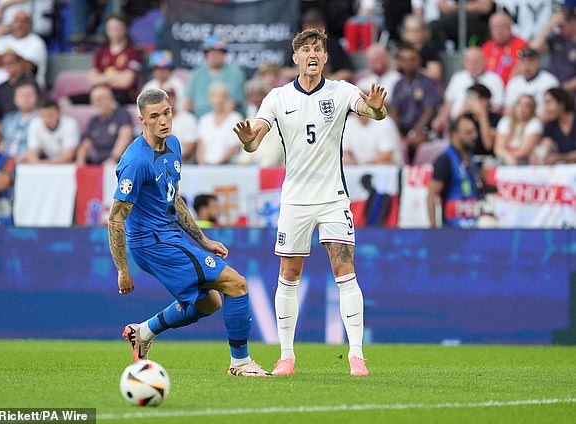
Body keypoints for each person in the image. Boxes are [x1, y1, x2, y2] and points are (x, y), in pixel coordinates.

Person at [233, 28, 388, 377]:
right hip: (295, 201)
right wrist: (247, 142)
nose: (312, 54)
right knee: (289, 275)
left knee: (345, 273)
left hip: (333, 197)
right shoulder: (277, 97)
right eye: (306, 49)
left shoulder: (342, 91)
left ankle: (356, 356)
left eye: (318, 48)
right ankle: (286, 356)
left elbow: (371, 110)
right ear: (296, 58)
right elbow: (255, 140)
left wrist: (377, 110)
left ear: (326, 57)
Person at [108, 88, 270, 377]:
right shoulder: (136, 162)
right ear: (142, 120)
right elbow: (115, 219)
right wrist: (122, 270)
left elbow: (174, 198)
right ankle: (241, 363)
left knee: (210, 302)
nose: (163, 121)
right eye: (154, 116)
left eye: (167, 113)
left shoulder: (174, 145)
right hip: (153, 243)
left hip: (169, 236)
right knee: (237, 285)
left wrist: (203, 240)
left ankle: (143, 332)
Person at [388, 44, 441, 163]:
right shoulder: (398, 84)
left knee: (416, 141)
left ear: (418, 60)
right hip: (402, 128)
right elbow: (394, 111)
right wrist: (398, 134)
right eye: (404, 60)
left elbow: (429, 112)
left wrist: (413, 134)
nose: (408, 63)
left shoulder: (428, 83)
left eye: (411, 59)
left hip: (422, 129)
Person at [427, 114, 481, 229]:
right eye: (468, 133)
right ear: (455, 134)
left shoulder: (470, 158)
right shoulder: (445, 160)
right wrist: (433, 228)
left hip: (473, 227)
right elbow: (431, 195)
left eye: (474, 132)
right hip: (452, 229)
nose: (474, 136)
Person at [184, 35, 245, 118]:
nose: (214, 55)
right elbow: (187, 102)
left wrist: (214, 124)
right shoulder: (197, 73)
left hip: (226, 120)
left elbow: (231, 104)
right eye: (210, 52)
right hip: (198, 121)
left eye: (218, 52)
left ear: (224, 54)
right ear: (206, 54)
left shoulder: (235, 73)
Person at [0, 10, 48, 89]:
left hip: (27, 92)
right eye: (17, 21)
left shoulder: (37, 42)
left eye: (24, 21)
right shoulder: (2, 40)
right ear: (12, 24)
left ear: (30, 24)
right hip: (0, 91)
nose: (20, 24)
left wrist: (2, 58)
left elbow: (26, 67)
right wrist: (13, 58)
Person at [75, 85, 133, 166]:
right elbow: (86, 144)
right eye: (94, 100)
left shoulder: (122, 114)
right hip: (97, 163)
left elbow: (125, 137)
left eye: (100, 99)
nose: (97, 103)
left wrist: (113, 158)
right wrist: (80, 160)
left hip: (118, 164)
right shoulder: (93, 121)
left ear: (111, 99)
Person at [530, 5, 576, 96]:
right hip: (556, 92)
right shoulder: (556, 39)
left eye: (561, 26)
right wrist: (549, 25)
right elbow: (533, 49)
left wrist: (563, 88)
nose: (559, 29)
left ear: (573, 22)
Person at [503, 48, 559, 117]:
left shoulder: (550, 81)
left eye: (530, 61)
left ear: (538, 62)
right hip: (517, 122)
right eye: (523, 62)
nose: (526, 66)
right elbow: (507, 109)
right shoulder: (514, 82)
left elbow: (554, 110)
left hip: (541, 122)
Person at [196, 83, 243, 165]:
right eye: (214, 96)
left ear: (226, 98)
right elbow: (201, 146)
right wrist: (202, 165)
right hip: (206, 166)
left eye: (221, 96)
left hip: (228, 166)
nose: (218, 100)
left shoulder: (235, 118)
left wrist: (218, 165)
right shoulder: (204, 120)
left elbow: (234, 147)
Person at [26, 99, 80, 164]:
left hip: (67, 165)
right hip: (45, 160)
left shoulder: (70, 124)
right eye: (43, 116)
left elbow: (68, 156)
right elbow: (32, 154)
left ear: (58, 113)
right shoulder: (34, 124)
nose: (47, 119)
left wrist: (42, 164)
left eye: (50, 115)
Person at [494, 94, 542, 165]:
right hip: (506, 158)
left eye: (527, 106)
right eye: (519, 104)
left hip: (525, 159)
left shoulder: (535, 123)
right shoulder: (505, 121)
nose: (522, 108)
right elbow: (498, 148)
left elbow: (524, 151)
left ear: (532, 110)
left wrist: (509, 156)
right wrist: (508, 157)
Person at [482, 12, 527, 85]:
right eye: (496, 27)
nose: (500, 31)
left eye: (503, 27)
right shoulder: (486, 47)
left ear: (510, 28)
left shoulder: (521, 45)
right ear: (491, 30)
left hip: (513, 87)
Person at [537, 87, 576, 164]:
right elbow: (545, 146)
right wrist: (539, 156)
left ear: (561, 104)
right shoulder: (551, 125)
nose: (546, 109)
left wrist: (559, 158)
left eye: (548, 103)